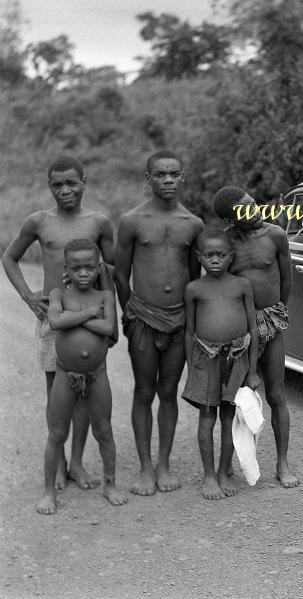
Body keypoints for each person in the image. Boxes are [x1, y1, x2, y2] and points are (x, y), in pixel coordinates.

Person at [2, 155, 115, 491]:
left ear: (85, 181)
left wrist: (114, 320)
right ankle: (60, 459)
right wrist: (27, 296)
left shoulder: (99, 223)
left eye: (71, 183)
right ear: (49, 186)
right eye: (57, 185)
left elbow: (109, 270)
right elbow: (9, 257)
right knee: (57, 392)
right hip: (55, 319)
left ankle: (77, 462)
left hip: (92, 317)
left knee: (85, 390)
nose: (65, 190)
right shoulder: (39, 222)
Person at [114, 150, 204, 496]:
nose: (168, 180)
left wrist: (192, 323)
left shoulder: (192, 224)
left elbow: (195, 280)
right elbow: (121, 274)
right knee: (143, 390)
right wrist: (130, 312)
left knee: (168, 392)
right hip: (143, 316)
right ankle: (145, 468)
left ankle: (164, 464)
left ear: (182, 178)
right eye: (161, 174)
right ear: (148, 178)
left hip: (179, 317)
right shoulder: (133, 221)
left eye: (174, 174)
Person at [213, 186, 299, 488]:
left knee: (276, 394)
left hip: (271, 322)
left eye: (253, 204)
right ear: (229, 220)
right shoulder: (224, 244)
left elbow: (287, 279)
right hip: (237, 329)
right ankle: (225, 467)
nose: (253, 211)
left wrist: (274, 315)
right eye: (243, 210)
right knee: (231, 399)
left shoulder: (275, 235)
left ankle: (282, 463)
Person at [37, 239, 127, 514]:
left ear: (98, 267)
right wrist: (88, 313)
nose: (84, 273)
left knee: (104, 430)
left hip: (97, 375)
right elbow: (55, 321)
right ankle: (49, 491)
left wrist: (72, 317)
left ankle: (110, 484)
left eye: (90, 267)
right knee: (57, 432)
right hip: (66, 374)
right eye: (77, 269)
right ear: (67, 269)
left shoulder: (105, 297)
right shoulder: (58, 295)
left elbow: (109, 326)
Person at [182, 229, 261, 499]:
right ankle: (208, 476)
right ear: (199, 257)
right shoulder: (194, 289)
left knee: (230, 419)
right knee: (207, 418)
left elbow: (253, 327)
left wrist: (252, 371)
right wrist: (191, 368)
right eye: (208, 255)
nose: (214, 259)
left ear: (231, 256)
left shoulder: (241, 285)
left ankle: (224, 469)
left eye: (221, 254)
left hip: (237, 358)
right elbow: (189, 332)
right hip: (205, 359)